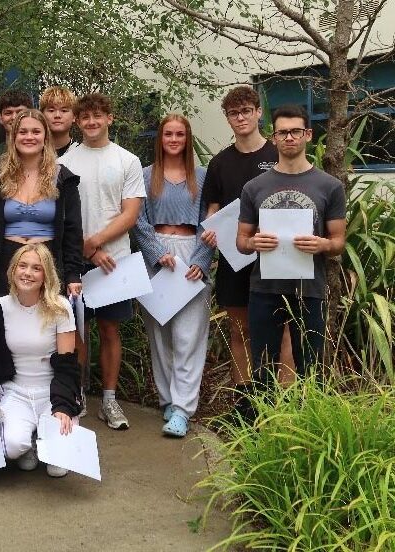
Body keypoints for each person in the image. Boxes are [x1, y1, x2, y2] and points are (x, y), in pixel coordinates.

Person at [199, 86, 296, 418]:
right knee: (239, 331)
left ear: (258, 113)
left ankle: (285, 405)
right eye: (233, 113)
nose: (240, 118)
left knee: (284, 329)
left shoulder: (279, 154)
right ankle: (245, 404)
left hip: (278, 256)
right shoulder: (219, 163)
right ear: (227, 118)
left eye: (246, 111)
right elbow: (211, 209)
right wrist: (209, 231)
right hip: (234, 259)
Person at [236, 104, 346, 394]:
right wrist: (252, 243)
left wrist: (323, 244)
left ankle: (310, 430)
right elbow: (241, 242)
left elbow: (338, 242)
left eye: (295, 131)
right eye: (282, 132)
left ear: (308, 134)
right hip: (264, 289)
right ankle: (265, 433)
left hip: (309, 289)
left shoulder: (330, 186)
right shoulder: (254, 187)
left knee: (312, 369)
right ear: (273, 138)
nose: (289, 138)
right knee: (262, 370)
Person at [60, 92, 145, 430]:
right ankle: (78, 396)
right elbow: (64, 215)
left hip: (116, 263)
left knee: (110, 330)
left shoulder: (127, 160)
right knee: (77, 332)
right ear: (77, 122)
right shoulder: (66, 161)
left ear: (110, 118)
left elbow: (131, 213)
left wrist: (99, 242)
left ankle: (109, 400)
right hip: (77, 259)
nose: (92, 122)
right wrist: (89, 249)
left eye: (98, 116)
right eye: (85, 117)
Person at [132, 114, 213, 438]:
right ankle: (167, 399)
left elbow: (213, 218)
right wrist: (155, 253)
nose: (174, 139)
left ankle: (182, 408)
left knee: (187, 336)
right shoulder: (146, 175)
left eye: (180, 134)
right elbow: (137, 219)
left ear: (187, 138)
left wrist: (202, 260)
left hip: (192, 254)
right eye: (168, 133)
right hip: (158, 258)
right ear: (160, 138)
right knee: (160, 334)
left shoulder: (203, 177)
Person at [0, 244, 81, 477]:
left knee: (57, 469)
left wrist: (63, 406)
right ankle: (29, 440)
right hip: (16, 391)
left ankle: (46, 434)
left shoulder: (61, 308)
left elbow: (67, 363)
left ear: (46, 275)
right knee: (11, 448)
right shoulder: (0, 307)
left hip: (51, 392)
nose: (28, 273)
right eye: (22, 266)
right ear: (13, 270)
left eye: (36, 268)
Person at [0, 109, 83, 299]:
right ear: (13, 136)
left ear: (45, 137)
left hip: (48, 263)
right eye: (22, 132)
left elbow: (73, 230)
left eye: (36, 132)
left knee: (47, 324)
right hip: (6, 264)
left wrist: (73, 273)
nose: (29, 137)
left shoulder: (62, 177)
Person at [40, 86, 77, 158]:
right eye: (51, 110)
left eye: (64, 111)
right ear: (42, 115)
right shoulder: (32, 153)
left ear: (74, 116)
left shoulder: (80, 153)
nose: (57, 115)